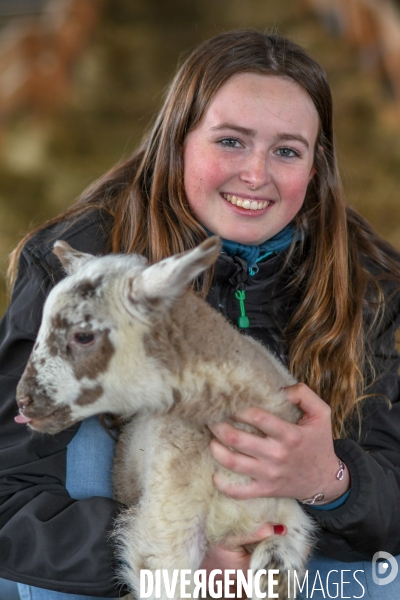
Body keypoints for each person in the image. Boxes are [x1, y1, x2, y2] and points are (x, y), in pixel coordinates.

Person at [0, 28, 400, 600]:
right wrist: (181, 564)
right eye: (231, 141)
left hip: (286, 541)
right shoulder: (85, 271)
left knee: (389, 578)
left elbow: (391, 495)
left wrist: (331, 480)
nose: (257, 175)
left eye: (287, 150)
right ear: (178, 142)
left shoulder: (371, 286)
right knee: (81, 441)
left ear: (315, 171)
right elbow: (9, 492)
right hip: (145, 537)